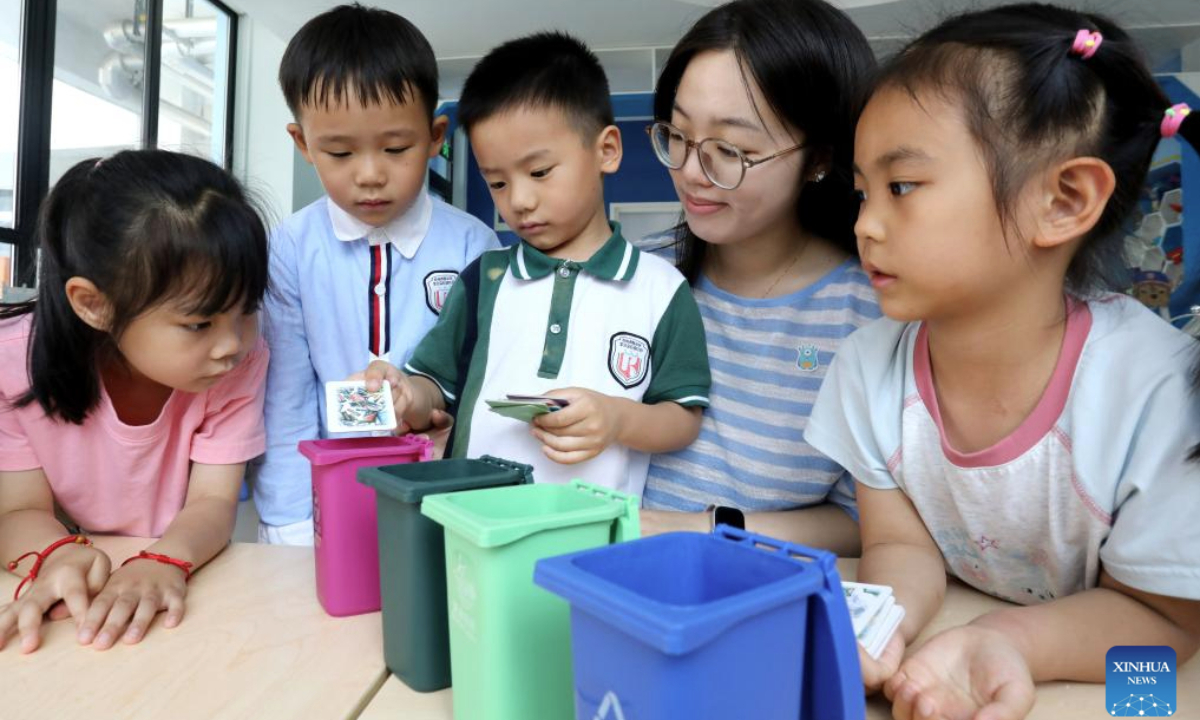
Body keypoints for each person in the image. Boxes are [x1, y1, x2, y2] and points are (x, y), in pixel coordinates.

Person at [804, 5, 1200, 718]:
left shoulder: (1157, 393)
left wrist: (1007, 641)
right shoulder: (867, 370)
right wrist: (877, 625)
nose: (862, 223)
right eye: (862, 192)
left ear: (1064, 200)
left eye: (901, 188)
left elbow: (1169, 631)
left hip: (1129, 681)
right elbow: (900, 542)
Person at [368, 32, 712, 496]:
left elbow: (682, 416)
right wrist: (407, 395)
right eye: (497, 183)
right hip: (471, 522)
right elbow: (435, 384)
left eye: (539, 172)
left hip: (596, 534)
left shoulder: (662, 290)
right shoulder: (484, 278)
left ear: (606, 150)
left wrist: (617, 418)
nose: (520, 201)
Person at [0, 150, 270, 653]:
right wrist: (54, 555)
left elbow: (212, 501)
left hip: (181, 576)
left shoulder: (237, 361)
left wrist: (165, 560)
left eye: (247, 310)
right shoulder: (12, 363)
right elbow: (18, 510)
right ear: (94, 305)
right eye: (198, 323)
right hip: (78, 597)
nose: (232, 343)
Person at [638, 0, 879, 555]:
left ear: (818, 158)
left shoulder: (868, 313)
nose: (691, 173)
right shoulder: (644, 275)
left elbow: (864, 521)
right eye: (677, 135)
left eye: (732, 150)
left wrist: (707, 528)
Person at [257, 4, 500, 544]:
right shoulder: (290, 248)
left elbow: (481, 382)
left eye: (396, 148)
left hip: (441, 494)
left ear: (436, 134)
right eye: (339, 152)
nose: (370, 175)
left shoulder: (473, 245)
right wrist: (291, 521)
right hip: (328, 492)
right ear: (303, 145)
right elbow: (286, 396)